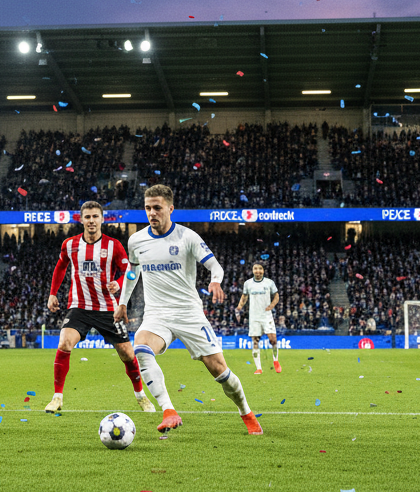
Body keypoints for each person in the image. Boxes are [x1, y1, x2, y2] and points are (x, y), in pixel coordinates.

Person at [115, 184, 263, 435]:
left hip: (188, 313)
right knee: (140, 348)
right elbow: (133, 271)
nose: (152, 213)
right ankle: (168, 411)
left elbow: (215, 266)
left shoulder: (188, 237)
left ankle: (246, 412)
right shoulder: (136, 240)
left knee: (219, 369)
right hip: (157, 313)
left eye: (157, 208)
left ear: (171, 209)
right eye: (148, 208)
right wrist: (122, 301)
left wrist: (215, 280)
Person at [45, 201, 154, 414]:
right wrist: (52, 293)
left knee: (127, 354)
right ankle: (57, 397)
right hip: (79, 307)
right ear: (81, 220)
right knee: (65, 342)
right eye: (87, 217)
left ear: (102, 219)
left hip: (107, 309)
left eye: (95, 216)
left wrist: (119, 283)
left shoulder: (114, 246)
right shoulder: (70, 244)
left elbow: (130, 272)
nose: (91, 221)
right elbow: (60, 267)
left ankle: (141, 396)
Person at [237, 262, 280, 374]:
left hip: (266, 316)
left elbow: (276, 296)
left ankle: (276, 361)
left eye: (260, 268)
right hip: (254, 317)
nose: (258, 271)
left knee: (273, 340)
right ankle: (259, 368)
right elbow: (244, 297)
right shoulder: (248, 283)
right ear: (253, 270)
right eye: (255, 268)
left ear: (263, 270)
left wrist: (272, 305)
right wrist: (239, 308)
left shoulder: (269, 282)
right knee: (255, 341)